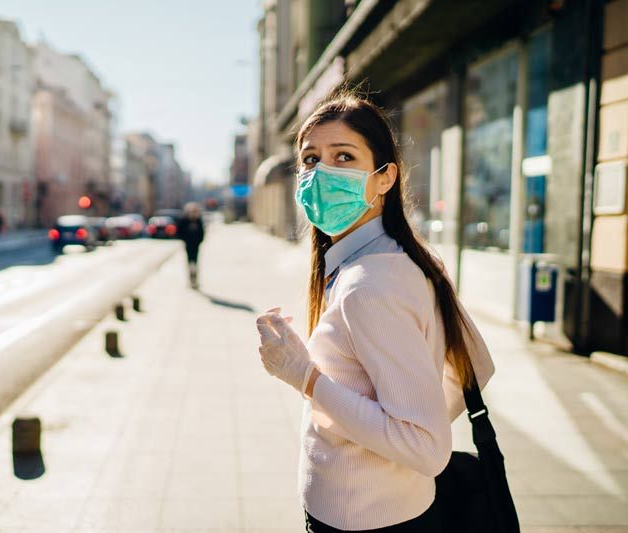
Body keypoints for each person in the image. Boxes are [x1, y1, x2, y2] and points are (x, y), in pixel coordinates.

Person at [255, 92, 496, 532]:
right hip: (389, 509)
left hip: (364, 520)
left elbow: (425, 448)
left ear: (384, 178)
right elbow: (475, 365)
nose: (321, 173)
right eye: (310, 160)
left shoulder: (370, 283)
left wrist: (303, 376)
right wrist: (396, 431)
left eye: (343, 156)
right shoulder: (402, 257)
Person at [177, 202, 205, 289]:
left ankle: (195, 279)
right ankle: (191, 279)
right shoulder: (184, 220)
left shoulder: (198, 220)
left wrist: (199, 241)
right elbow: (180, 232)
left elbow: (202, 232)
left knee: (195, 263)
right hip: (188, 245)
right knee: (190, 262)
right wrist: (185, 240)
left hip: (196, 245)